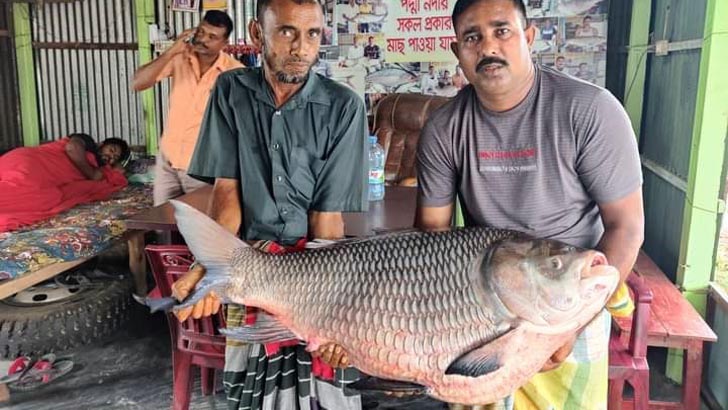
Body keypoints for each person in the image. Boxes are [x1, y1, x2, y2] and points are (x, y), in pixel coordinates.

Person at [415, 0, 644, 409]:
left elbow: (626, 226)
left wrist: (569, 328)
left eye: (502, 31)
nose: (487, 47)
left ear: (529, 37)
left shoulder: (590, 110)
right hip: (478, 311)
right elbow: (430, 238)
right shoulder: (444, 128)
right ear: (457, 51)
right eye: (472, 37)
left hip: (570, 304)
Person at [170, 0, 368, 409]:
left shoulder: (344, 107)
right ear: (257, 34)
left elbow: (326, 219)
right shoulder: (230, 92)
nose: (301, 47)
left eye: (312, 34)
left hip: (320, 270)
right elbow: (227, 193)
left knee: (324, 381)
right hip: (249, 267)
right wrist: (205, 268)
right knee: (251, 394)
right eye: (287, 32)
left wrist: (332, 316)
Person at [131, 10, 243, 206]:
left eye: (212, 37)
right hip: (168, 161)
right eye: (201, 32)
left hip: (203, 168)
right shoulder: (179, 58)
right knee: (162, 226)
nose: (203, 39)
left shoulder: (234, 74)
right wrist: (171, 51)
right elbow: (137, 83)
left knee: (200, 228)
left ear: (224, 44)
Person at [0, 134, 130, 231]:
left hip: (41, 173)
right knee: (30, 190)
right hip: (31, 162)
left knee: (45, 197)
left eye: (114, 158)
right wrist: (92, 174)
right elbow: (72, 147)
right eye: (111, 150)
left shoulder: (99, 169)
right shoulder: (87, 142)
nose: (110, 157)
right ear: (102, 144)